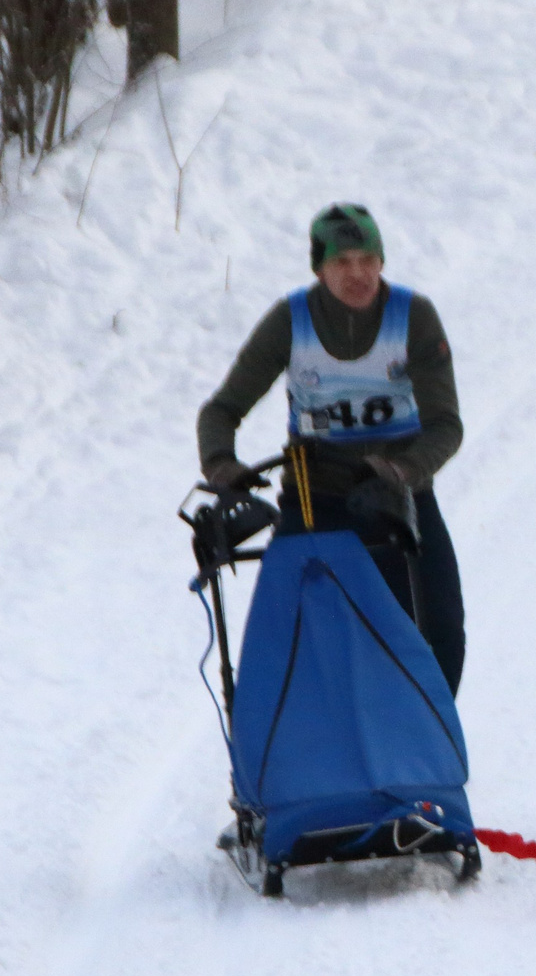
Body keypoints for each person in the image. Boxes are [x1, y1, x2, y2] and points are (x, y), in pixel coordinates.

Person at [197, 203, 468, 693]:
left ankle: (425, 744)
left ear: (383, 262)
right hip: (314, 497)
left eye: (367, 259)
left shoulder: (413, 317)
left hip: (398, 496)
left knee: (440, 628)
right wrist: (222, 468)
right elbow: (220, 411)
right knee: (293, 637)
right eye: (342, 262)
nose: (357, 274)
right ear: (319, 268)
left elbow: (446, 426)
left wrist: (402, 471)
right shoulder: (291, 321)